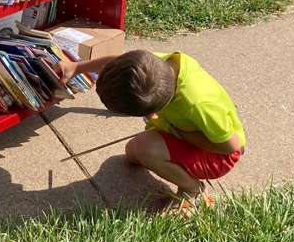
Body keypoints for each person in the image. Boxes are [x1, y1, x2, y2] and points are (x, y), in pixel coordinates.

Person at [59, 49, 245, 211]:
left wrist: (175, 129)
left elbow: (231, 146)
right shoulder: (155, 67)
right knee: (132, 154)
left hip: (217, 154)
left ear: (153, 110)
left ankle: (191, 188)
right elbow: (118, 63)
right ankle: (164, 157)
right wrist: (77, 67)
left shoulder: (198, 104)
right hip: (184, 129)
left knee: (144, 149)